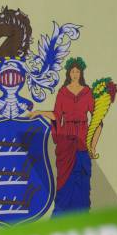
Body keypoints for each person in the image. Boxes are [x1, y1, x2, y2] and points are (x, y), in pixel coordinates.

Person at [29, 57, 101, 214]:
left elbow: (97, 121)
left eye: (78, 71)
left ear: (81, 73)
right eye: (72, 71)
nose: (75, 74)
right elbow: (56, 115)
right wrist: (39, 112)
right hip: (66, 141)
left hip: (83, 139)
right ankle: (62, 215)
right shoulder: (62, 92)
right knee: (65, 179)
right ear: (68, 73)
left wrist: (93, 146)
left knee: (82, 178)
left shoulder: (87, 92)